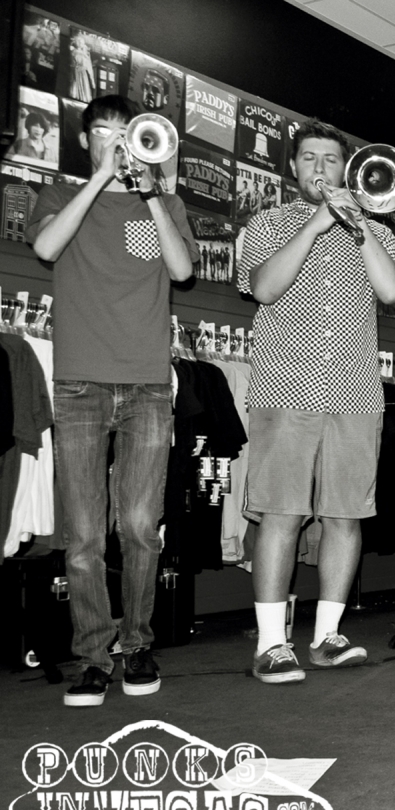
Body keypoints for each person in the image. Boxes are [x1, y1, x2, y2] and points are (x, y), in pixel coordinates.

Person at [27, 95, 198, 707]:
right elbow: (46, 249)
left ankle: (138, 644)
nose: (117, 142)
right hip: (79, 384)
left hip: (148, 385)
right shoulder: (58, 194)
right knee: (82, 537)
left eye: (129, 133)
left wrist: (150, 193)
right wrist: (101, 178)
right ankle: (93, 658)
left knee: (140, 528)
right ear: (85, 140)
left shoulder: (165, 203)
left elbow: (182, 271)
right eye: (104, 132)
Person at [237, 118, 395, 684]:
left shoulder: (376, 231)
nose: (320, 169)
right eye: (309, 158)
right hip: (285, 388)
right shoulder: (267, 223)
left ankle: (327, 637)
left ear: (347, 169)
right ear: (293, 167)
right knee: (281, 514)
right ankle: (271, 644)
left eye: (331, 160)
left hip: (355, 393)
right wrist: (316, 222)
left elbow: (392, 292)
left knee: (345, 517)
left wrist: (359, 227)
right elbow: (264, 288)